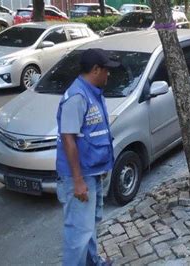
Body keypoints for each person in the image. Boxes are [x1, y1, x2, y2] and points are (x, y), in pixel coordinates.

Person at [55, 48, 119, 266]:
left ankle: (93, 263)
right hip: (80, 176)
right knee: (78, 233)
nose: (108, 75)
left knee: (90, 224)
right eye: (106, 70)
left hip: (93, 171)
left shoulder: (92, 92)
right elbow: (68, 139)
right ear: (95, 70)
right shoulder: (77, 97)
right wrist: (79, 181)